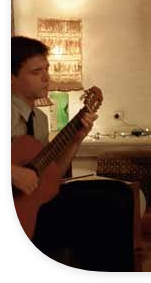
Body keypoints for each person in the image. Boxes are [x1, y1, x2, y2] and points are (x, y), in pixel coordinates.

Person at [11, 36, 98, 255]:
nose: (46, 78)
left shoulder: (40, 119)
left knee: (114, 193)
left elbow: (50, 175)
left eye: (46, 69)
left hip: (30, 207)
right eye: (35, 72)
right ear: (12, 78)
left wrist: (76, 139)